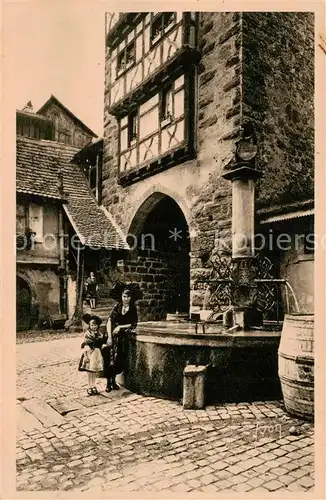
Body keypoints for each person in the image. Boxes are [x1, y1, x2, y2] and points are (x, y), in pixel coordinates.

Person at [101, 287, 138, 392]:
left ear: (131, 298)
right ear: (121, 297)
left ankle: (114, 380)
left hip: (122, 337)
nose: (126, 299)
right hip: (111, 336)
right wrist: (109, 337)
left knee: (118, 360)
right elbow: (109, 321)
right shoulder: (117, 307)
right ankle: (108, 383)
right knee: (109, 359)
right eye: (124, 296)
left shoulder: (132, 309)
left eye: (128, 297)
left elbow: (133, 323)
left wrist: (120, 327)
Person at [78, 314, 107, 395]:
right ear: (89, 325)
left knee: (94, 371)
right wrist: (86, 356)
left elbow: (101, 342)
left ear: (98, 325)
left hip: (96, 354)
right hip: (89, 353)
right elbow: (85, 345)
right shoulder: (88, 334)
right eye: (92, 325)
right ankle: (89, 386)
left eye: (95, 325)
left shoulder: (99, 333)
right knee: (89, 371)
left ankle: (94, 385)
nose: (94, 326)